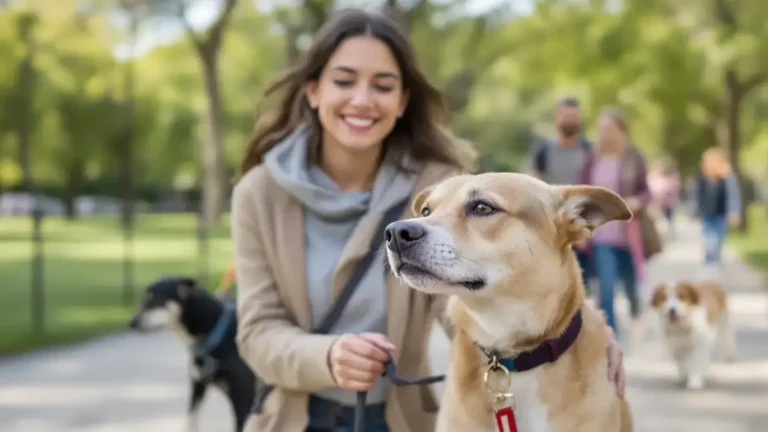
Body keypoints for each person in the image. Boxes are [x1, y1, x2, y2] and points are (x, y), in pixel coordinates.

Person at [231, 9, 627, 432]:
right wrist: (327, 357)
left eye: (383, 85)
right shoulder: (259, 192)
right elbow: (256, 332)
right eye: (344, 81)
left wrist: (577, 336)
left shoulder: (440, 183)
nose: (362, 99)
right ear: (313, 90)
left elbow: (470, 298)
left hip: (401, 420)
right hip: (295, 420)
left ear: (402, 101)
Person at [579, 107, 650, 343]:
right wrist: (581, 228)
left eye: (609, 129)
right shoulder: (592, 160)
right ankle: (611, 339)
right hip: (601, 236)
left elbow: (646, 191)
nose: (604, 134)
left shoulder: (633, 158)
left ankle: (636, 315)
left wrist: (637, 201)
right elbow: (583, 195)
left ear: (622, 131)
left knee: (631, 287)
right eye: (601, 129)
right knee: (606, 288)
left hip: (628, 235)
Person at [525, 97, 594, 290]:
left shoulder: (589, 150)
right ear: (557, 117)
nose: (570, 120)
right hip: (551, 225)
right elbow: (531, 182)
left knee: (582, 284)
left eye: (574, 116)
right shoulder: (543, 150)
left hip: (582, 225)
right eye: (566, 115)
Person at [690, 147, 742, 273]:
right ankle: (709, 263)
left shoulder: (727, 178)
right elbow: (696, 196)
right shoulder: (701, 178)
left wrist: (734, 212)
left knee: (718, 240)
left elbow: (733, 196)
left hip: (720, 214)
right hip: (707, 214)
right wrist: (694, 212)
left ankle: (715, 262)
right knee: (709, 240)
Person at [648, 160, 681, 238]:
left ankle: (669, 233)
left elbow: (674, 190)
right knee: (656, 220)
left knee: (668, 218)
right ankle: (658, 234)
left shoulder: (671, 178)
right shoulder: (652, 177)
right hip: (655, 203)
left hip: (668, 203)